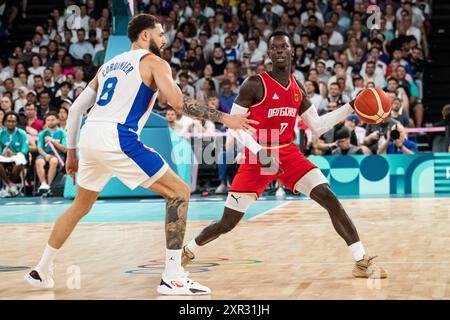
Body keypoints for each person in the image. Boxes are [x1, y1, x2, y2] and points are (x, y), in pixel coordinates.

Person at [24, 14, 256, 296]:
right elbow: (179, 103)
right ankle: (172, 276)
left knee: (80, 207)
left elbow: (75, 110)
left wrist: (72, 152)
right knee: (179, 192)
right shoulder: (154, 62)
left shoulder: (108, 66)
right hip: (118, 137)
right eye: (160, 34)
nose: (164, 39)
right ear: (145, 36)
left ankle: (41, 269)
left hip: (89, 136)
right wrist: (225, 118)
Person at [182, 31, 387, 282]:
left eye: (284, 47)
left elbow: (318, 126)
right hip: (258, 154)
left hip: (288, 152)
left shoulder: (297, 88)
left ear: (292, 52)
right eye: (275, 48)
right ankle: (189, 249)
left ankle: (361, 261)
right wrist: (260, 152)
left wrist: (350, 106)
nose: (279, 51)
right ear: (269, 54)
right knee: (228, 222)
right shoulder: (254, 84)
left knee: (328, 196)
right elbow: (234, 125)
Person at [35, 112, 67, 195]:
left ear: (57, 120)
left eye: (52, 120)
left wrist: (53, 141)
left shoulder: (62, 133)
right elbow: (39, 148)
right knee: (39, 162)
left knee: (54, 161)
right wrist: (45, 155)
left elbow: (64, 149)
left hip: (58, 155)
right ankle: (43, 184)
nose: (50, 122)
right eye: (48, 120)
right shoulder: (42, 133)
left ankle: (49, 187)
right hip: (44, 154)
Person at [0, 112, 28, 197]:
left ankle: (8, 185)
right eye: (8, 121)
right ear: (4, 122)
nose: (11, 123)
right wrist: (3, 153)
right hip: (4, 157)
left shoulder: (22, 133)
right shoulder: (1, 133)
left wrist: (14, 153)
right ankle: (11, 185)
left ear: (16, 123)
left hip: (17, 155)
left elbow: (24, 149)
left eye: (13, 121)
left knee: (20, 161)